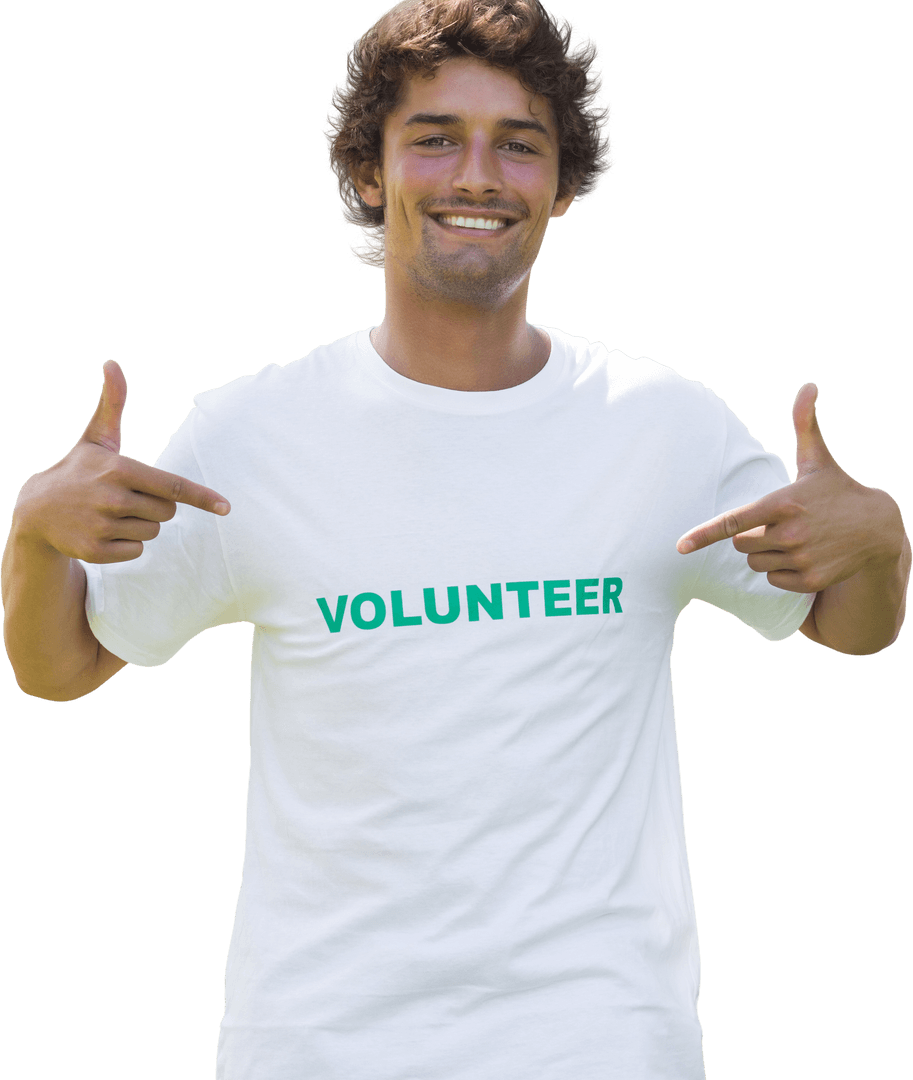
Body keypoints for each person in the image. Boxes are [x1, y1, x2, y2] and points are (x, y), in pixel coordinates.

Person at [2, 1, 909, 1077]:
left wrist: (882, 542)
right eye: (434, 137)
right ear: (369, 174)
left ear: (562, 183)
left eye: (518, 145)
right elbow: (65, 667)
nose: (476, 174)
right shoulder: (250, 437)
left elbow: (843, 629)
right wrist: (35, 533)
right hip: (321, 1044)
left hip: (603, 1041)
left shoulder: (660, 425)